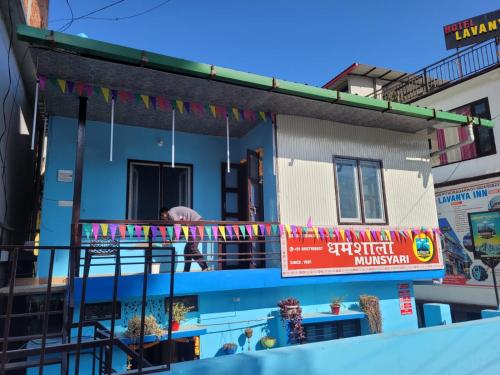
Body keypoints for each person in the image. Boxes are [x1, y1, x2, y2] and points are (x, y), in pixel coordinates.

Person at [160, 207, 208, 272]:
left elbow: (177, 225)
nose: (164, 220)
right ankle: (186, 271)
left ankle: (205, 267)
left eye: (162, 217)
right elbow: (181, 231)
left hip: (197, 224)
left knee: (192, 247)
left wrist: (174, 239)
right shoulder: (177, 215)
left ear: (164, 213)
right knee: (187, 250)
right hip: (192, 227)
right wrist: (172, 240)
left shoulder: (171, 213)